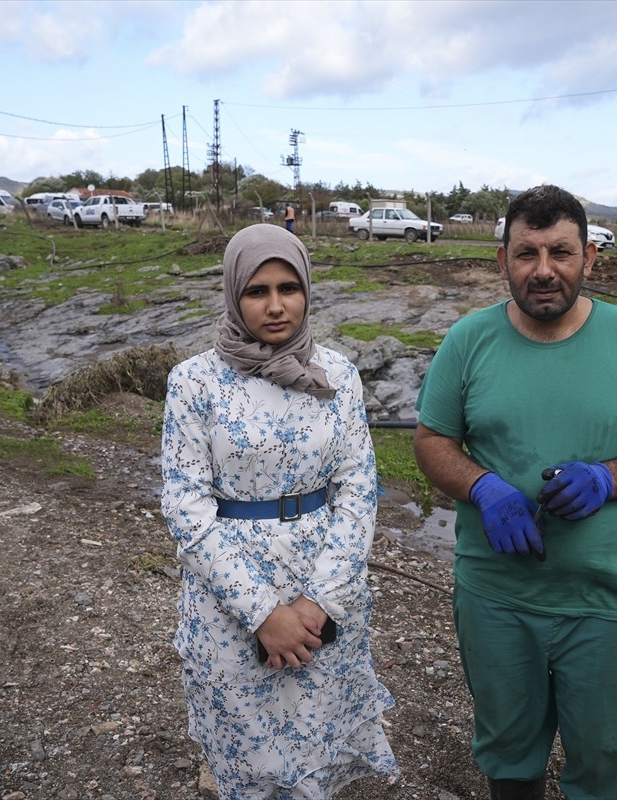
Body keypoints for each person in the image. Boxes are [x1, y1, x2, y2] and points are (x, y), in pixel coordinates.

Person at [413, 184, 617, 800]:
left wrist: (609, 477)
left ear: (589, 258)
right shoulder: (468, 340)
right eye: (527, 254)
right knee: (509, 753)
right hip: (496, 596)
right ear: (503, 261)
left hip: (603, 598)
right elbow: (432, 441)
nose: (544, 271)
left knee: (609, 763)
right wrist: (484, 487)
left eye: (561, 253)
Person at [161, 224, 399, 798]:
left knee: (318, 740)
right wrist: (264, 613)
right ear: (232, 293)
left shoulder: (338, 375)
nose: (274, 306)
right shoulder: (194, 382)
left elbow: (357, 489)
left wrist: (316, 601)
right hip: (230, 596)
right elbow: (186, 507)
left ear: (307, 290)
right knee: (246, 748)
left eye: (288, 288)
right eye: (256, 290)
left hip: (325, 586)